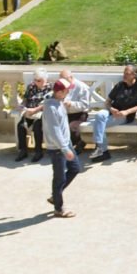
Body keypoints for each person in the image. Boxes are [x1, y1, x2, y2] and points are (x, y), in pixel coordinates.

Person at [43, 83, 81, 217]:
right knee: (59, 178)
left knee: (75, 168)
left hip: (66, 144)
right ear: (59, 92)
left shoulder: (58, 101)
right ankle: (59, 208)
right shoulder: (51, 107)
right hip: (57, 148)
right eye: (66, 91)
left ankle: (55, 196)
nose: (68, 93)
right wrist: (65, 148)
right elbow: (55, 131)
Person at [99, 64, 137, 162]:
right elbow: (107, 102)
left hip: (123, 115)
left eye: (127, 74)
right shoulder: (119, 85)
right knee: (99, 116)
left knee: (99, 124)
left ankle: (102, 150)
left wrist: (126, 112)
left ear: (134, 75)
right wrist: (111, 109)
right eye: (124, 73)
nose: (124, 75)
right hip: (112, 111)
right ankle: (101, 149)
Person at [14, 69, 54, 160]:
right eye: (35, 80)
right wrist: (22, 106)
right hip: (29, 112)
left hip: (42, 114)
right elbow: (25, 100)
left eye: (39, 80)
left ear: (45, 79)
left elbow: (48, 104)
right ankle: (23, 150)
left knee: (37, 126)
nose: (36, 82)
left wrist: (35, 110)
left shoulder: (51, 88)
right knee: (20, 126)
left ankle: (38, 151)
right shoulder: (31, 86)